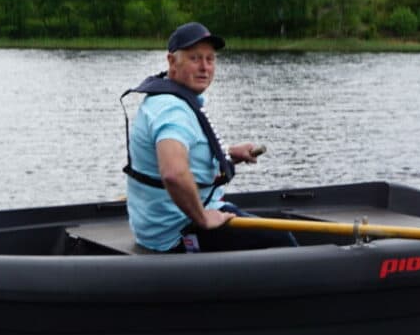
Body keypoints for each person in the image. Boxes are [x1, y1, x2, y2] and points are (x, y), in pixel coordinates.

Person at [122, 22, 292, 253]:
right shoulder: (172, 112)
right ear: (172, 61)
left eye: (210, 59)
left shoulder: (166, 99)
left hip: (159, 225)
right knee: (281, 240)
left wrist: (230, 153)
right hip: (177, 231)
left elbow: (185, 152)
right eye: (195, 58)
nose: (204, 67)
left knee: (260, 224)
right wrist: (202, 218)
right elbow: (173, 173)